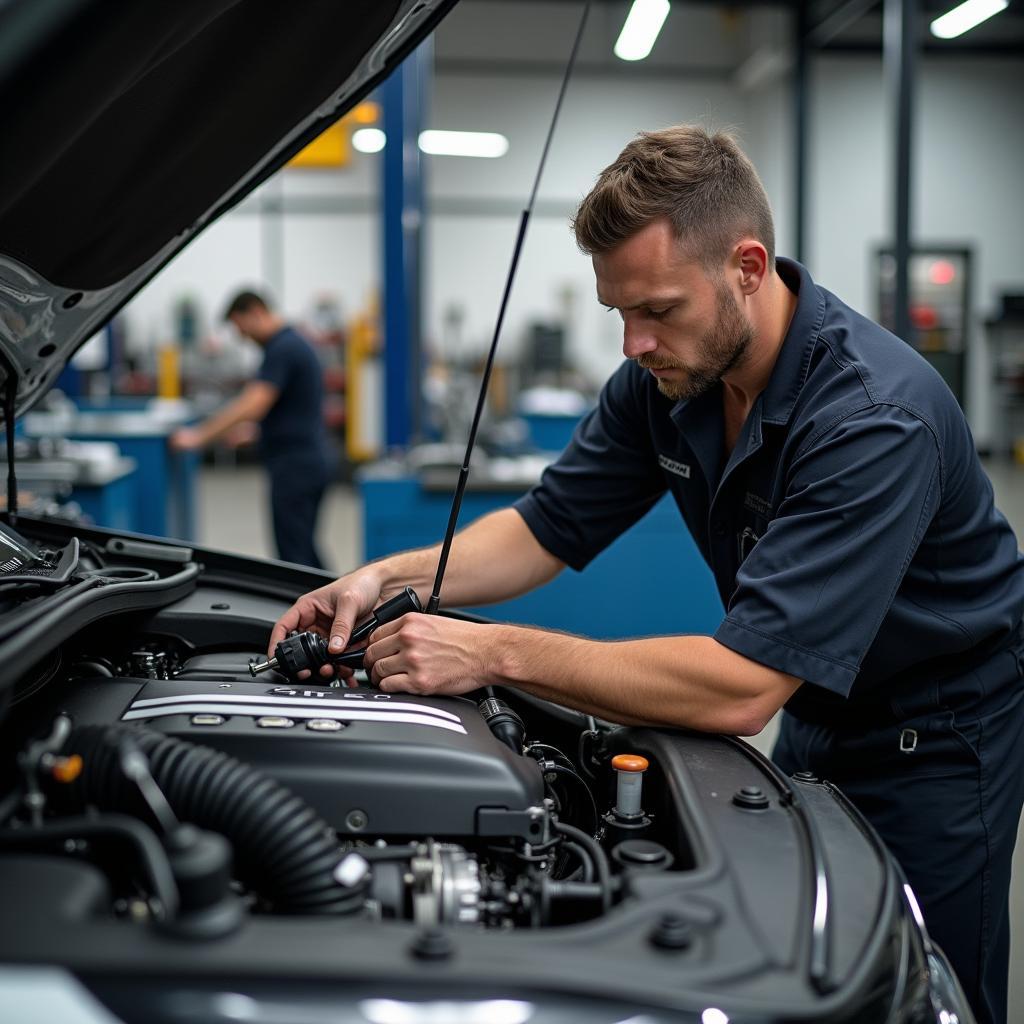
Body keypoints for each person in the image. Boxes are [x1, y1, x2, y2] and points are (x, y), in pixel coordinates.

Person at [270, 126, 1024, 1022]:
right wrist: (382, 575)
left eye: (659, 308)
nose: (633, 343)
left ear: (748, 266)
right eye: (618, 312)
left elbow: (743, 687)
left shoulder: (872, 419)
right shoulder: (669, 380)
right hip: (819, 713)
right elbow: (541, 529)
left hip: (936, 741)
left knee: (918, 986)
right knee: (802, 963)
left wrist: (491, 653)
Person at [172, 289, 334, 568]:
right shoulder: (291, 343)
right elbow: (295, 409)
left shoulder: (283, 348)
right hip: (306, 460)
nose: (242, 337)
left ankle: (326, 608)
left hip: (296, 466)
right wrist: (258, 433)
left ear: (256, 312)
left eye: (241, 327)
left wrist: (199, 436)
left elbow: (252, 404)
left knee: (294, 556)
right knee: (303, 547)